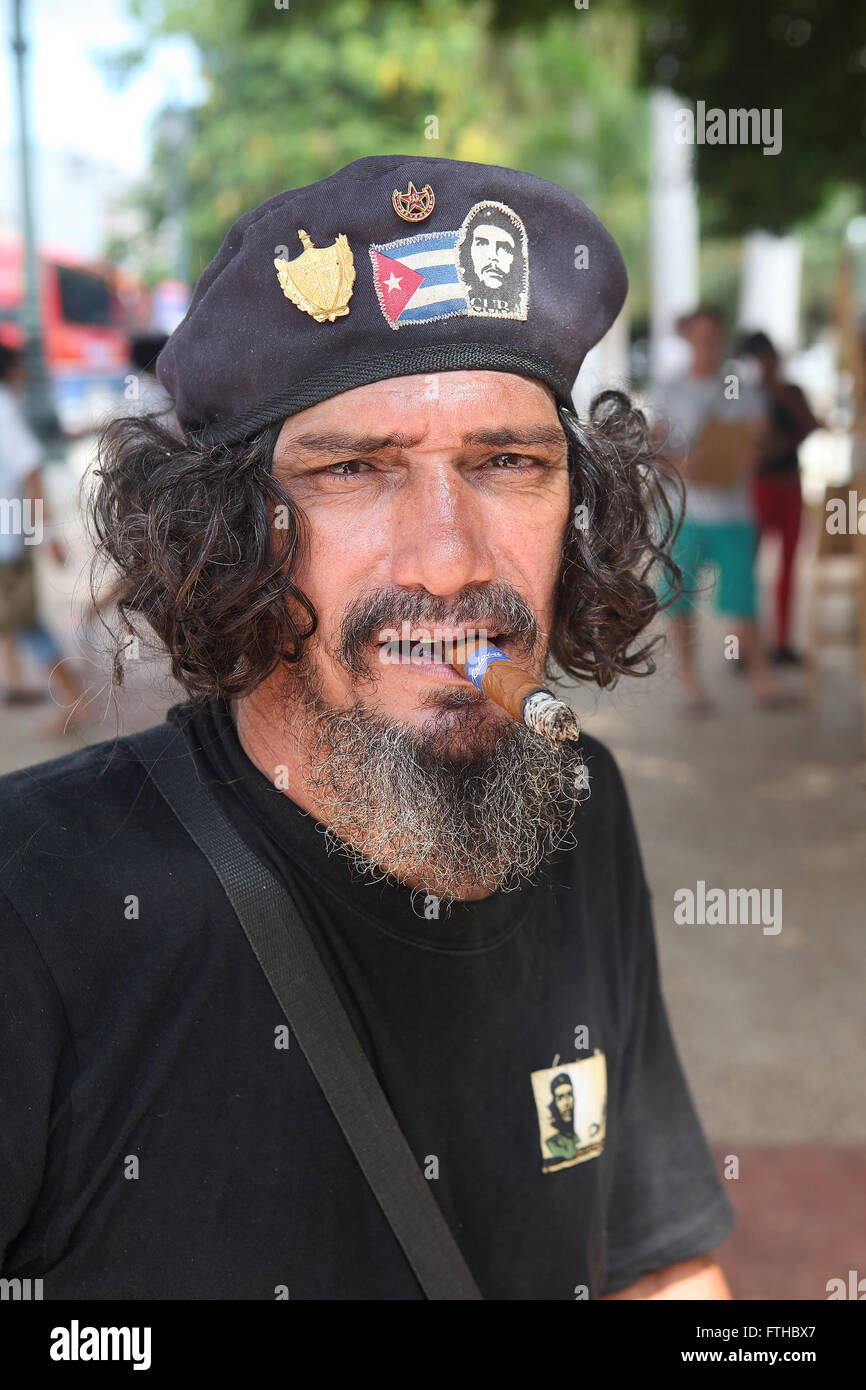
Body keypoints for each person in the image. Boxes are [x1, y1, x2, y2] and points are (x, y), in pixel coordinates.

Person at [0, 156, 734, 1301]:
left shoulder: (576, 798)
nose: (448, 557)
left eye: (506, 462)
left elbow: (657, 1266)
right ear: (232, 528)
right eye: (353, 469)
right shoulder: (33, 897)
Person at [652, 307, 790, 712]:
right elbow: (654, 447)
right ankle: (691, 685)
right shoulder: (670, 390)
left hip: (734, 513)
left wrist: (751, 449)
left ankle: (761, 678)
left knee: (743, 598)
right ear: (689, 339)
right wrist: (681, 464)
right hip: (685, 513)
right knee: (680, 600)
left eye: (715, 337)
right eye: (701, 337)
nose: (708, 346)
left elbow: (761, 438)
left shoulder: (739, 387)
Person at [0, 343, 89, 733]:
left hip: (5, 540)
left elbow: (30, 469)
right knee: (18, 620)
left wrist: (44, 533)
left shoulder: (3, 407)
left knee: (24, 621)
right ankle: (36, 687)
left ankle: (73, 696)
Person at [740, 330, 820, 664]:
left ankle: (782, 642)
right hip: (759, 485)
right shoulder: (745, 394)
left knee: (788, 567)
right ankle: (746, 647)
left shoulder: (789, 391)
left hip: (787, 482)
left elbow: (811, 424)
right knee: (747, 568)